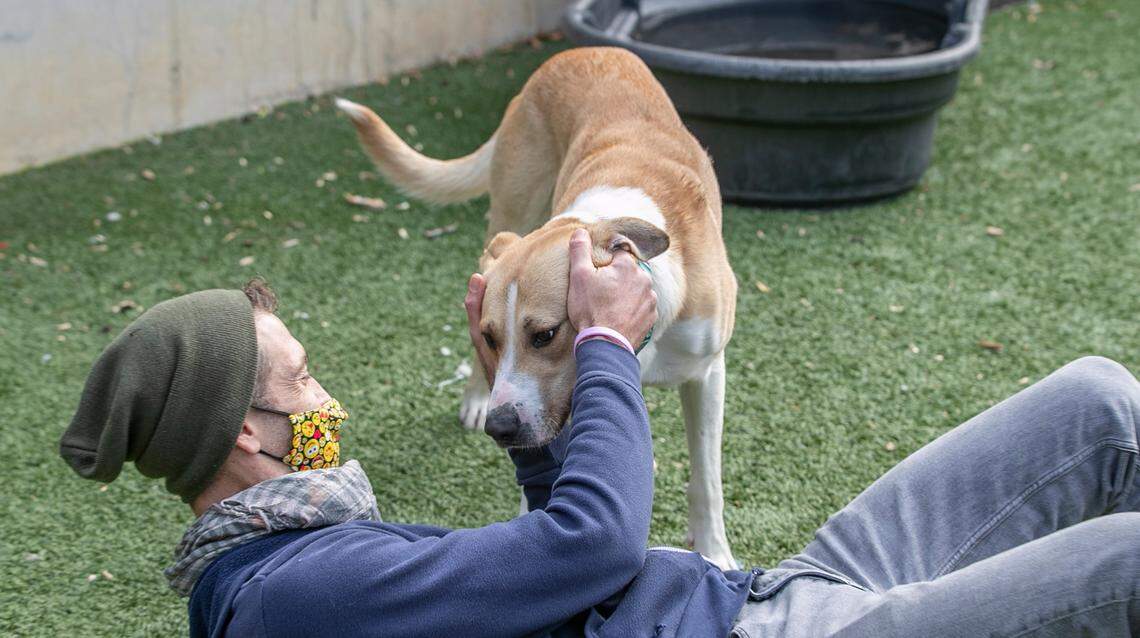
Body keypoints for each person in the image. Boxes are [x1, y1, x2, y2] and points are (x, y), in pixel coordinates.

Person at [60, 229, 1139, 637]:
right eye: (302, 379)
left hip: (764, 593)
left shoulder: (299, 559)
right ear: (248, 432)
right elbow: (596, 545)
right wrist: (610, 346)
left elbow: (550, 580)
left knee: (1094, 402)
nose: (328, 396)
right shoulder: (294, 599)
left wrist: (524, 416)